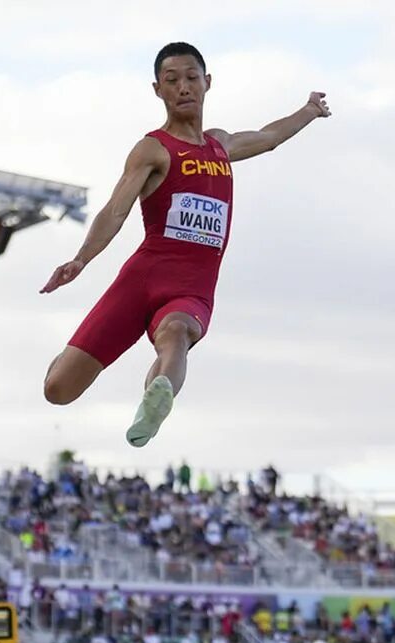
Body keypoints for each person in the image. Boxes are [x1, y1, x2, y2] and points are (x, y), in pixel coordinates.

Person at [41, 42, 331, 446]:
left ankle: (154, 401)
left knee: (177, 332)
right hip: (142, 279)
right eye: (172, 80)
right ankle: (95, 369)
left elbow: (268, 137)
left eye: (191, 78)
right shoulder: (153, 149)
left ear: (207, 83)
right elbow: (116, 209)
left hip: (192, 288)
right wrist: (81, 259)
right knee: (58, 389)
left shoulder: (221, 146)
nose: (183, 88)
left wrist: (309, 111)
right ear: (157, 89)